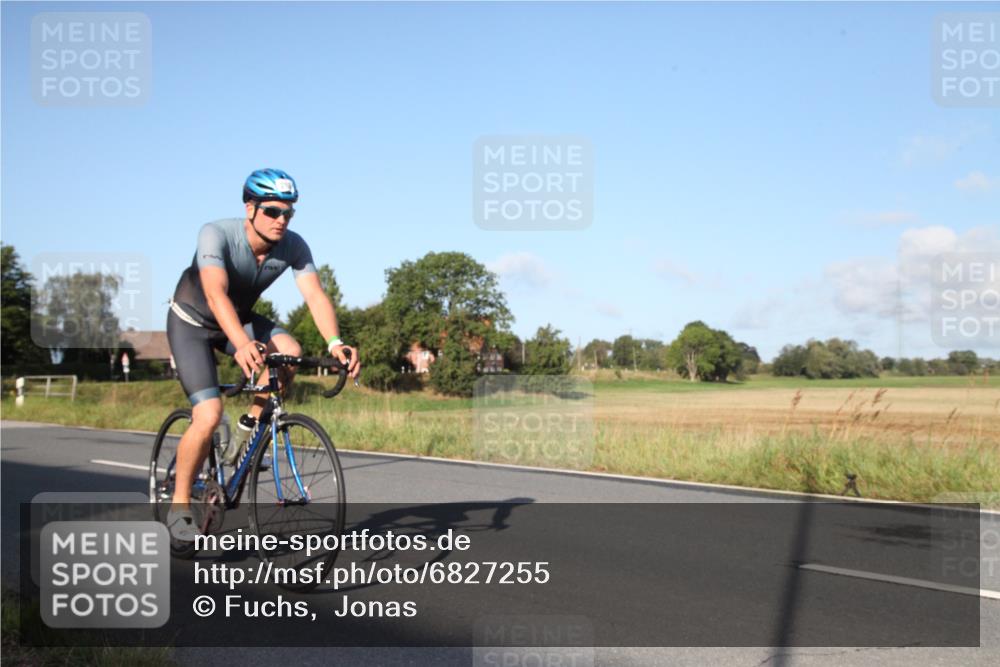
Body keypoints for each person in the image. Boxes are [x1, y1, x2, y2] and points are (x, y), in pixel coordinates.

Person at [165, 168, 360, 541]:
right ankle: (178, 505)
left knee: (289, 351)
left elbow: (315, 296)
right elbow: (214, 293)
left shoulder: (293, 245)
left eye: (289, 213)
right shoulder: (216, 234)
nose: (281, 220)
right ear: (249, 208)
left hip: (237, 320)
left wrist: (336, 343)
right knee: (207, 415)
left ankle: (245, 431)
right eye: (272, 211)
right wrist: (241, 344)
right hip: (192, 322)